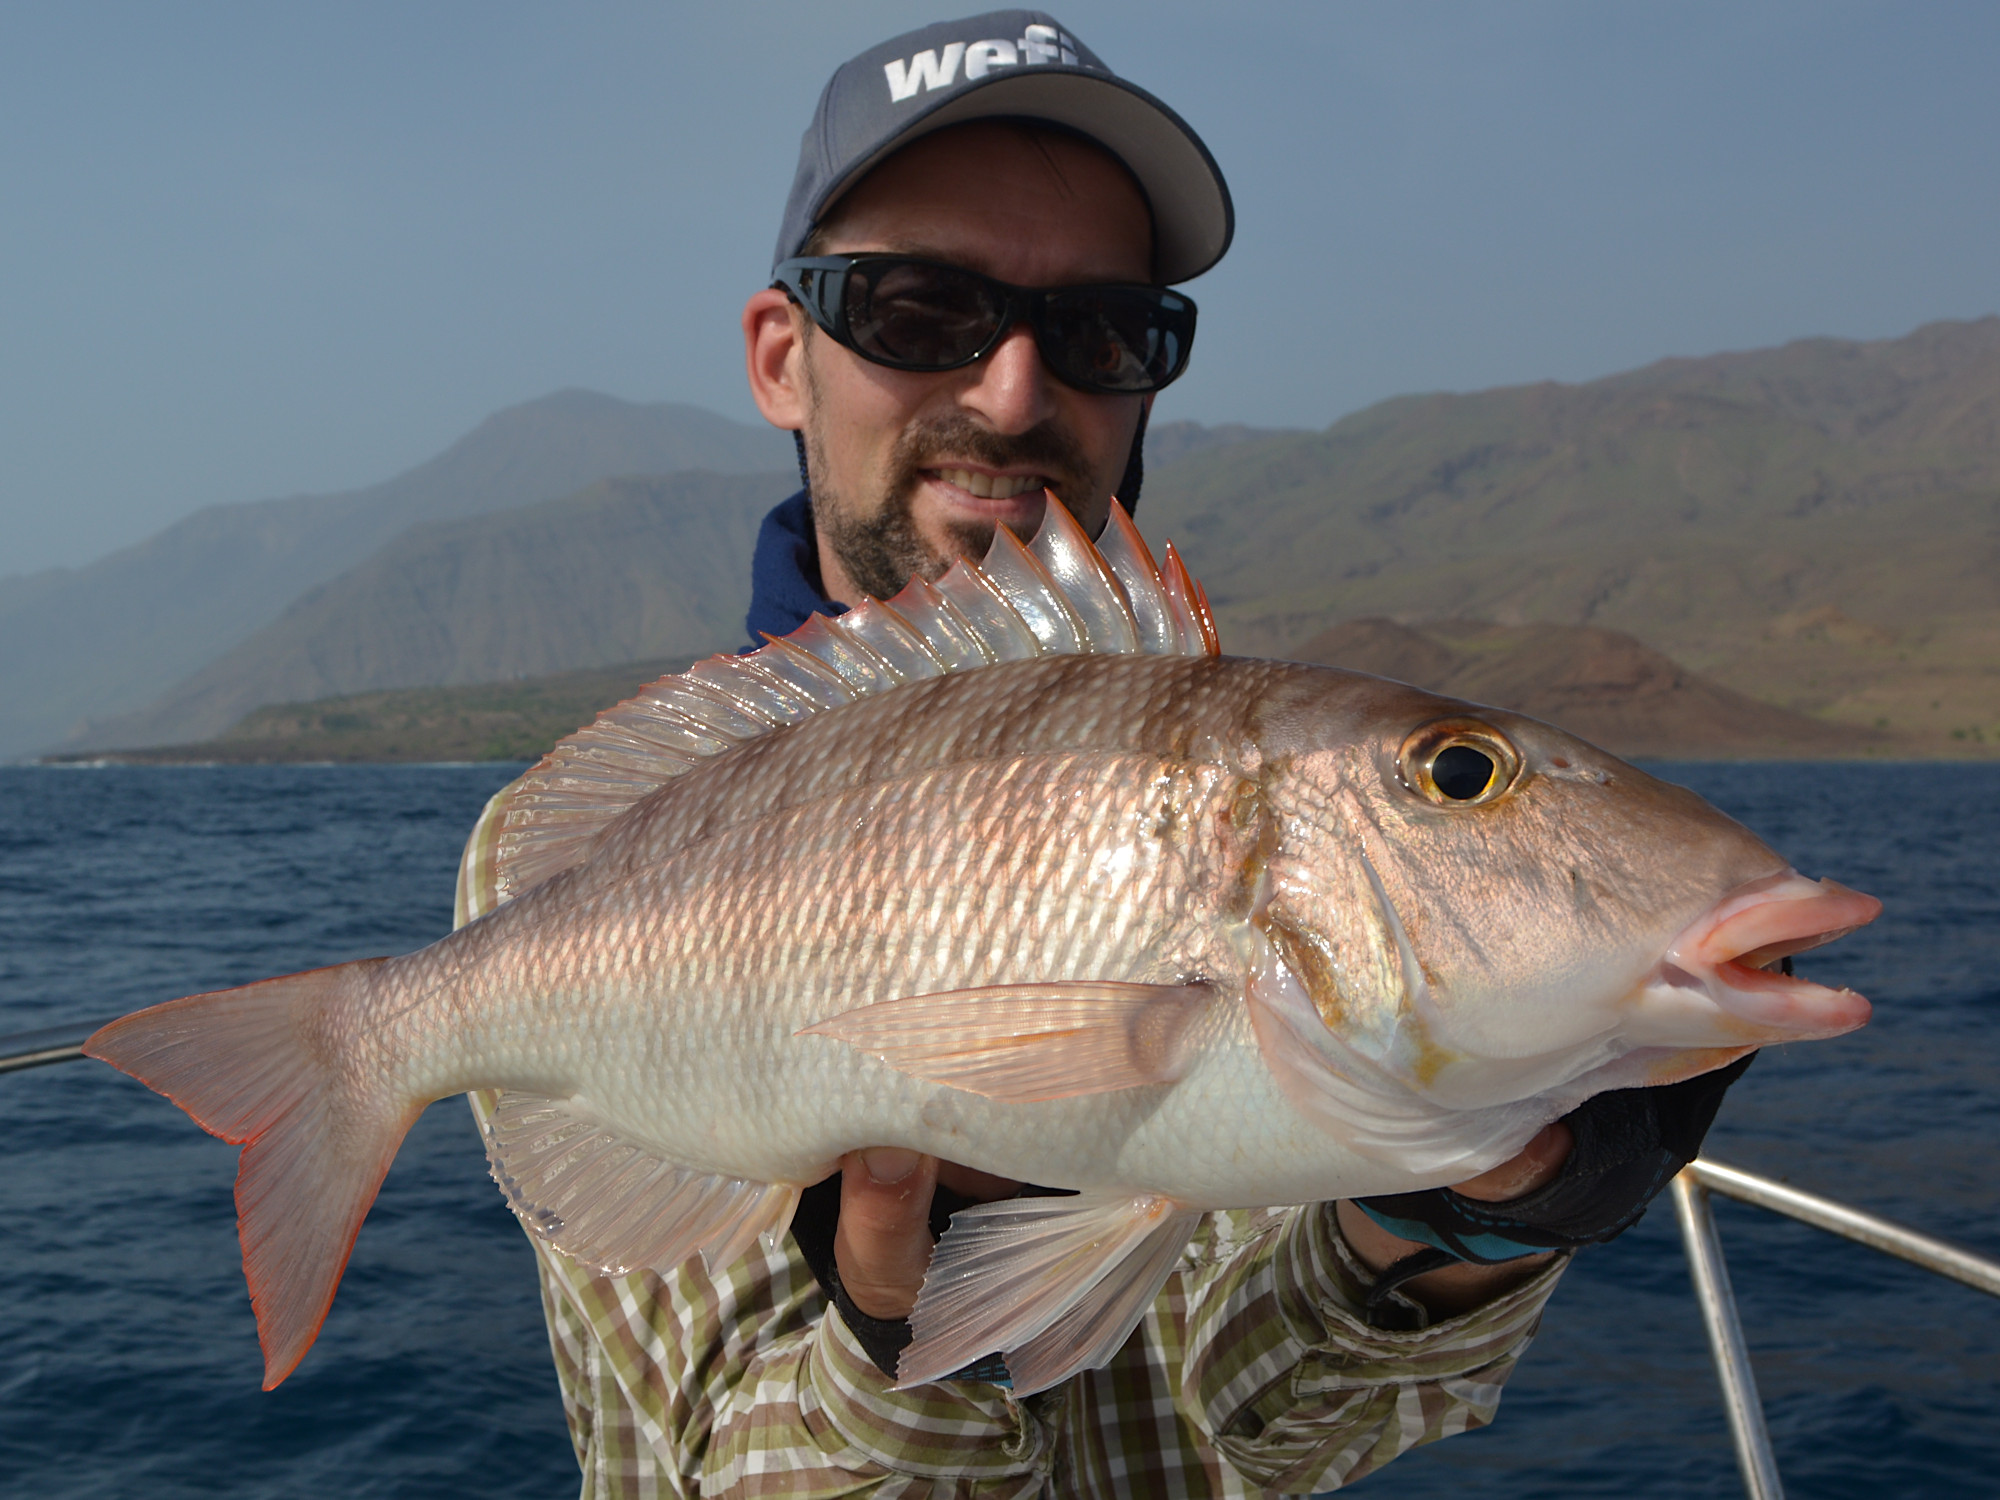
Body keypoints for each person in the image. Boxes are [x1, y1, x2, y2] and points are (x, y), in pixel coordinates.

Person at [457, 13, 1745, 1495]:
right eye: (919, 309)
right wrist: (900, 1339)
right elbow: (733, 1462)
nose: (1013, 394)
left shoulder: (1247, 802)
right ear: (780, 354)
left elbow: (1263, 1426)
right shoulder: (581, 861)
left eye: (1101, 330)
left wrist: (1453, 1222)